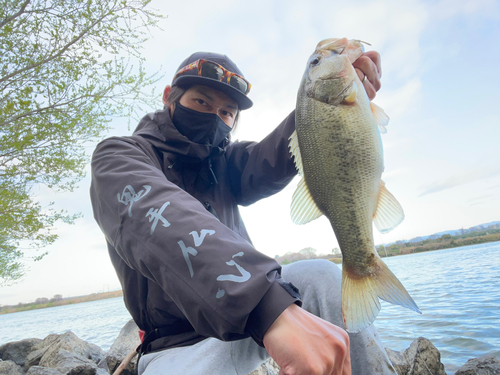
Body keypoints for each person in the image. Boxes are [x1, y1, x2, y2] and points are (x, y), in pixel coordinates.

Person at [90, 47, 395, 375]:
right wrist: (268, 307)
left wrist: (328, 100)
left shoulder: (226, 164)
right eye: (202, 102)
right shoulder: (119, 156)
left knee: (321, 277)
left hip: (249, 326)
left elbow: (275, 155)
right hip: (176, 346)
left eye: (227, 112)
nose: (215, 117)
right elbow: (161, 217)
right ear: (169, 97)